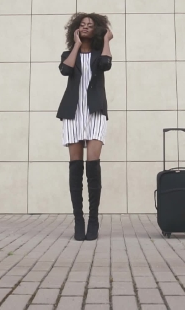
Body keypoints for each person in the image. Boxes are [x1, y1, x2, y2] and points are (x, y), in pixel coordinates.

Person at [56, 13, 113, 241]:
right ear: (76, 29)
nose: (86, 27)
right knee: (75, 167)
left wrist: (107, 40)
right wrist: (77, 45)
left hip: (95, 112)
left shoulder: (101, 54)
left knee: (93, 166)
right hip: (72, 114)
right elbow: (65, 70)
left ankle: (94, 221)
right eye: (82, 25)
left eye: (91, 25)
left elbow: (106, 65)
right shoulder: (68, 54)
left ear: (97, 29)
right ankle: (78, 221)